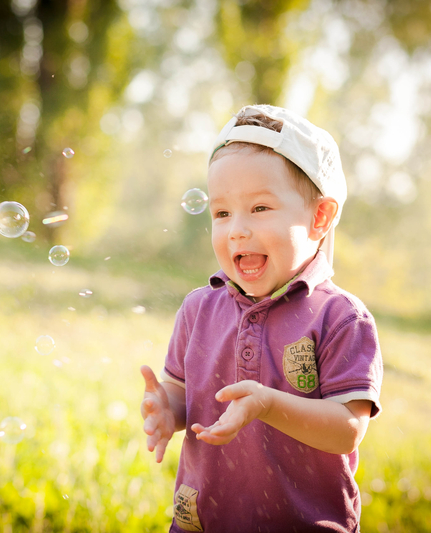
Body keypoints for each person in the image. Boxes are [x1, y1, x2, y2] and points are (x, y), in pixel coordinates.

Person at [140, 104, 383, 532]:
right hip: (206, 520)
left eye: (259, 209)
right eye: (221, 213)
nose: (236, 229)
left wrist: (267, 405)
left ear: (319, 217)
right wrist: (166, 410)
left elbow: (347, 428)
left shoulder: (339, 318)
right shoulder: (198, 309)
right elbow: (183, 395)